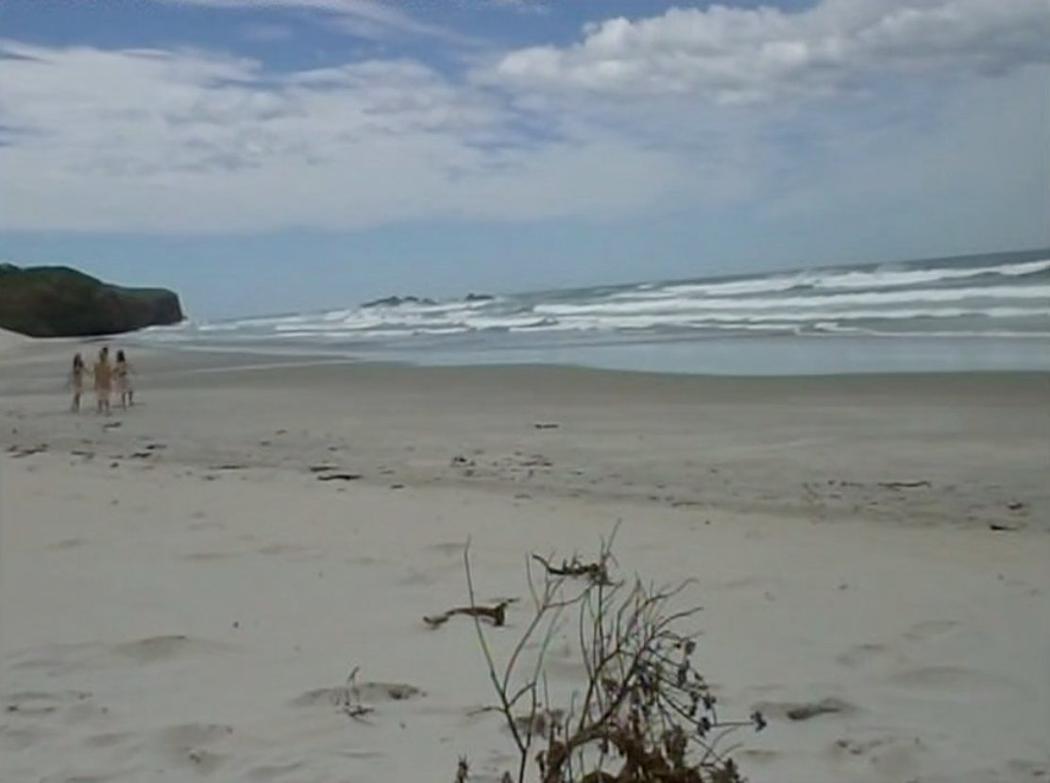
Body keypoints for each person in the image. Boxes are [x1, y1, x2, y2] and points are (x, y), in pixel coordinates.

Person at [93, 346, 113, 415]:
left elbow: (109, 374)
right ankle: (103, 409)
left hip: (104, 383)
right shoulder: (100, 365)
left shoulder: (103, 365)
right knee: (102, 397)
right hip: (103, 383)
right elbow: (97, 375)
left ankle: (103, 409)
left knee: (103, 397)